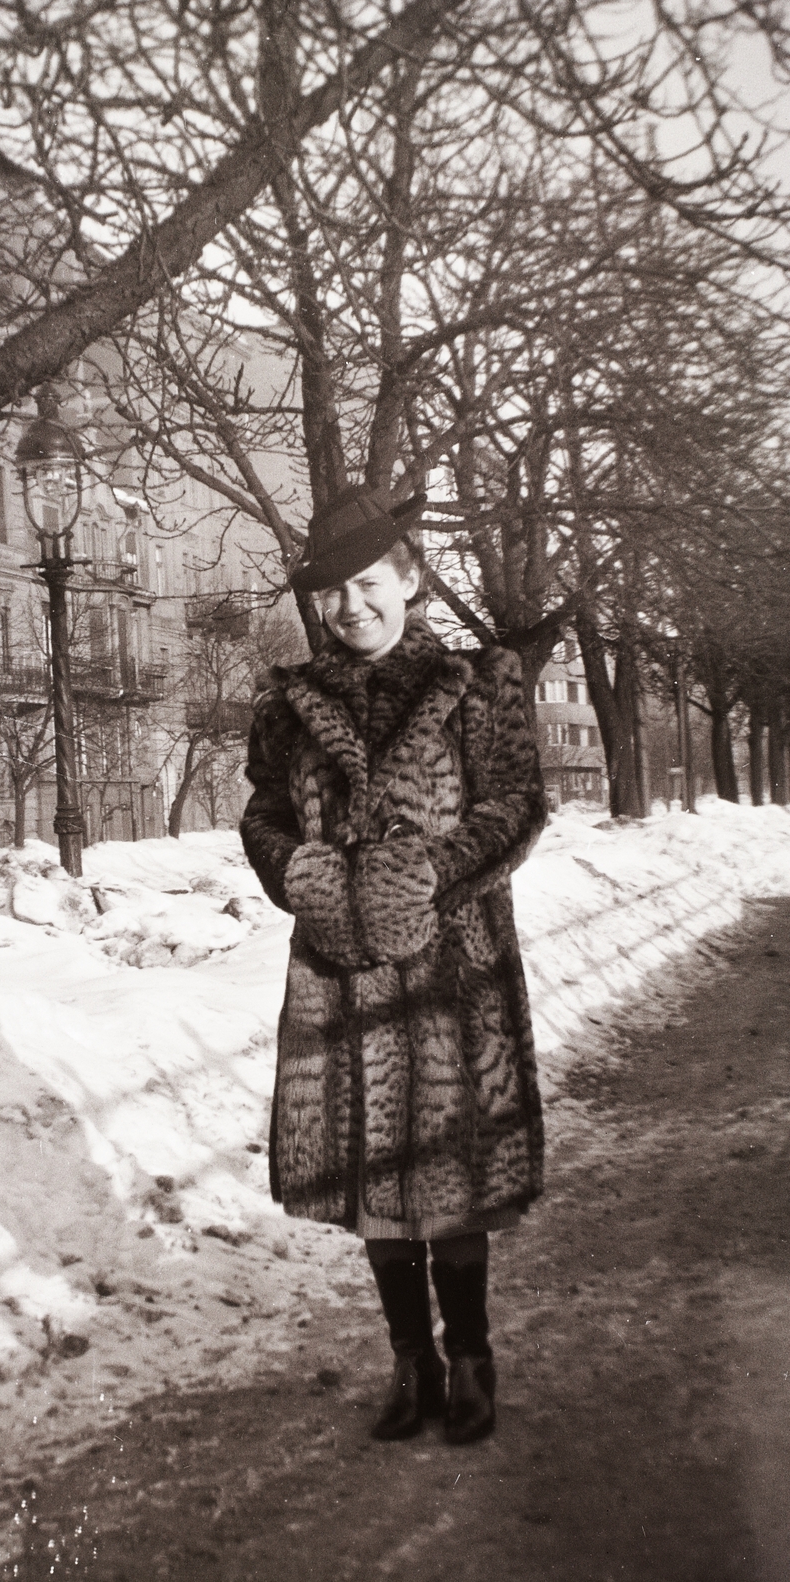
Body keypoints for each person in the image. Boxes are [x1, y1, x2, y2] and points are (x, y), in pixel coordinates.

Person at [240, 485, 547, 1446]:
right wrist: (301, 874)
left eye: (368, 583)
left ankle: (470, 1361)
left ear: (408, 578)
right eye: (331, 593)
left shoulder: (479, 680)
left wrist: (426, 874)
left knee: (449, 1179)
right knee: (374, 1181)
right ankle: (408, 1364)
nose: (350, 607)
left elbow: (515, 807)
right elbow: (262, 816)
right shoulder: (288, 705)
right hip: (339, 978)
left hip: (452, 973)